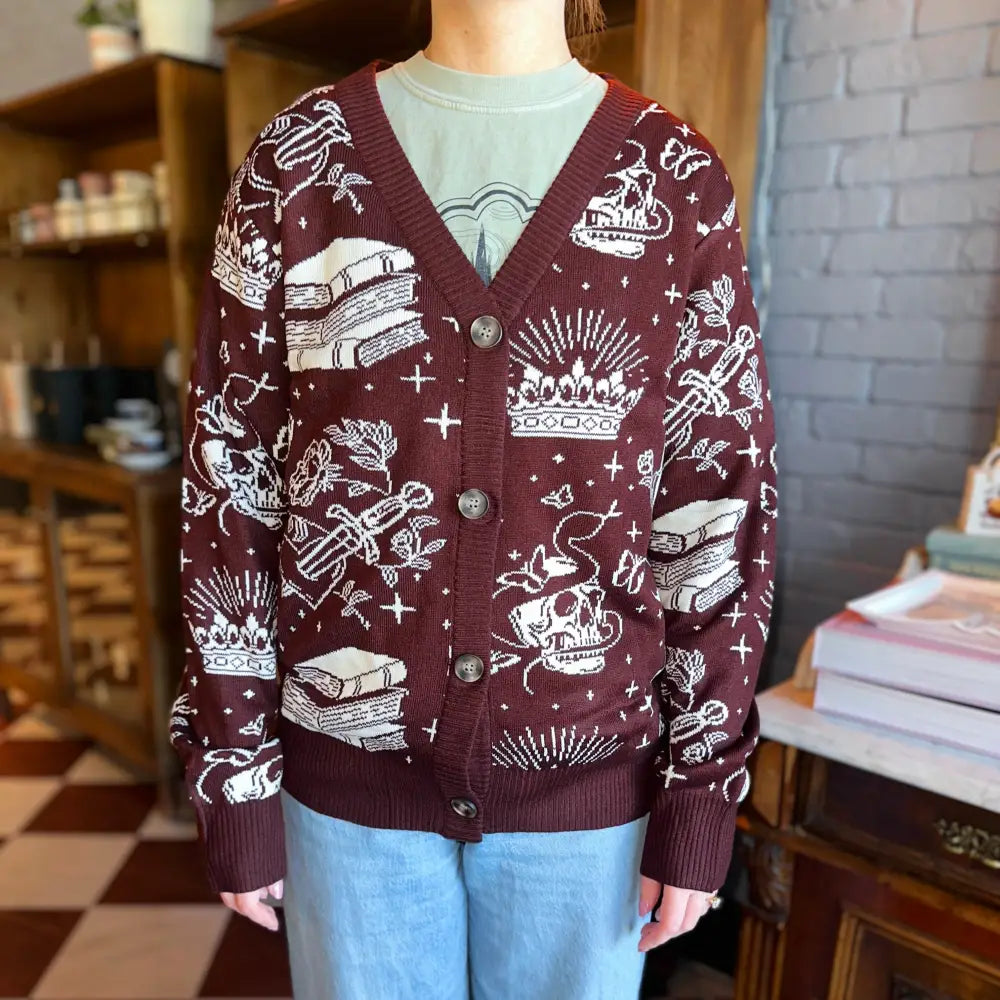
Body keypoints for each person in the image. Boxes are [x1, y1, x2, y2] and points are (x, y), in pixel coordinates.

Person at [170, 0, 779, 996]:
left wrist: (702, 787)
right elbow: (231, 486)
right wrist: (233, 770)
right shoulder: (296, 160)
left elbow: (714, 500)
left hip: (590, 804)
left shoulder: (674, 176)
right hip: (346, 796)